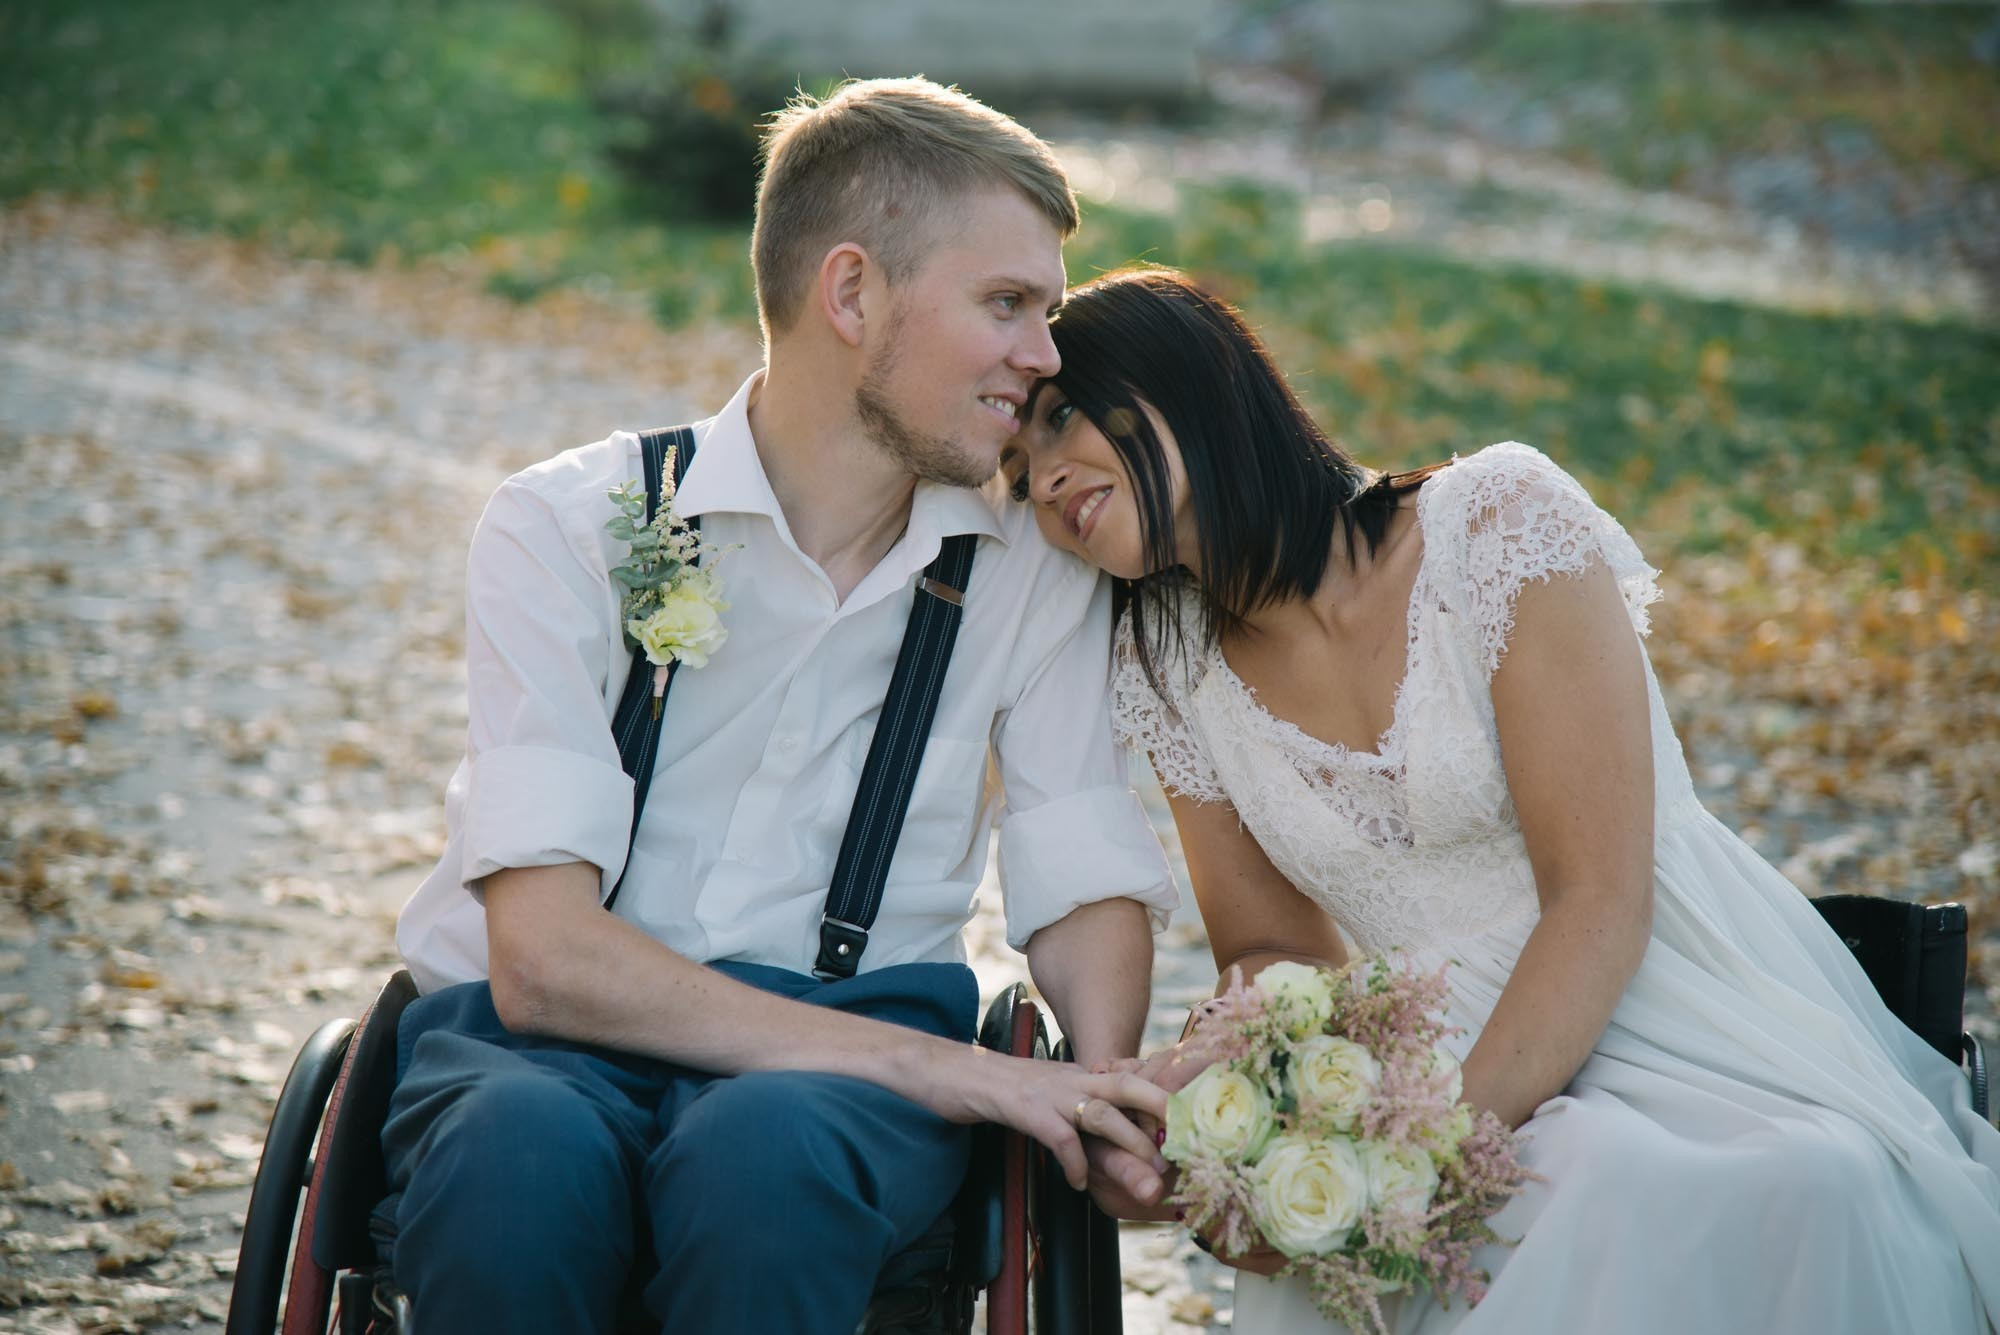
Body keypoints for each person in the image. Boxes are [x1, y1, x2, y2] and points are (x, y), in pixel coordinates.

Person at [999, 267, 2000, 1333]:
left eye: (1061, 417)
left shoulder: (1494, 524)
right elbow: (1268, 948)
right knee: (1466, 1204)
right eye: (1016, 474)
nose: (1045, 478)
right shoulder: (1169, 664)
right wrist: (1224, 1078)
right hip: (1418, 1055)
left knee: (1716, 1179)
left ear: (1182, 373)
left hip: (1662, 998)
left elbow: (1599, 898)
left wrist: (1431, 1152)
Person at [386, 81, 1181, 1333]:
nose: (1044, 356)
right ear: (851, 293)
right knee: (514, 1160)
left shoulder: (1030, 569)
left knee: (768, 1157)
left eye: (1047, 312)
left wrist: (1100, 1090)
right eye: (1006, 304)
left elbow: (1077, 864)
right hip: (538, 1050)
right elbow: (539, 963)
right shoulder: (571, 526)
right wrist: (945, 1067)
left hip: (842, 1082)